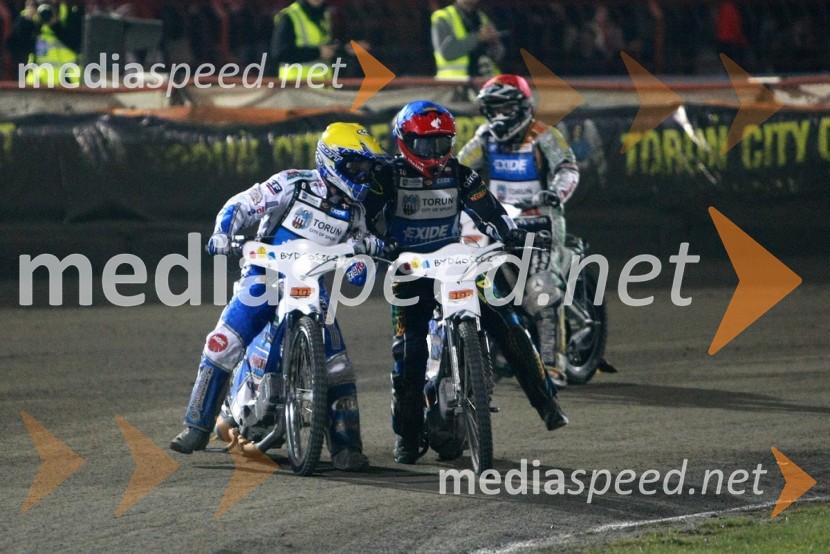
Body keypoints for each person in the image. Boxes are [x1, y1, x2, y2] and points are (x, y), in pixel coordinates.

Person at [170, 122, 387, 472]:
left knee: (339, 364)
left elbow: (361, 248)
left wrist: (362, 261)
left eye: (368, 169)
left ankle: (347, 448)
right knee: (222, 343)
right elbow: (242, 203)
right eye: (356, 167)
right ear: (332, 161)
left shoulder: (356, 211)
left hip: (314, 284)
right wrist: (223, 232)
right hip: (265, 275)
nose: (363, 176)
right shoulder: (292, 182)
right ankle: (196, 425)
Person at [364, 100, 569, 465]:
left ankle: (547, 403)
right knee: (408, 357)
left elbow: (489, 209)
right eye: (426, 145)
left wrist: (508, 231)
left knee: (511, 324)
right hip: (409, 271)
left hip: (458, 262)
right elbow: (364, 218)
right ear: (403, 142)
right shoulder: (385, 177)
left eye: (442, 144)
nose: (435, 154)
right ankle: (408, 437)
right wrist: (376, 244)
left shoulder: (460, 174)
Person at [457, 74, 580, 379]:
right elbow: (458, 169)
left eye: (504, 108)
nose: (497, 117)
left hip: (541, 220)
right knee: (478, 280)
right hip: (498, 223)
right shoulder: (485, 138)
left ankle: (553, 363)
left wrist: (556, 191)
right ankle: (496, 352)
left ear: (522, 106)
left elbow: (567, 168)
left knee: (542, 289)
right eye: (492, 109)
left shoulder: (544, 135)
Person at [6, 0, 82, 86]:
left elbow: (77, 45)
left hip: (68, 82)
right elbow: (15, 47)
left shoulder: (70, 13)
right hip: (37, 83)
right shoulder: (28, 16)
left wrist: (55, 25)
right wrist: (27, 20)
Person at [430, 0, 504, 80]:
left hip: (483, 81)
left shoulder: (482, 17)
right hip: (454, 84)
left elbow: (498, 54)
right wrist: (478, 37)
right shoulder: (444, 17)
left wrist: (494, 43)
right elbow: (447, 52)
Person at [271, 0, 334, 83]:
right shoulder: (289, 16)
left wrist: (343, 49)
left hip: (322, 85)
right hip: (296, 86)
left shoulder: (325, 15)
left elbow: (325, 44)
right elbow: (280, 53)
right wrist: (317, 52)